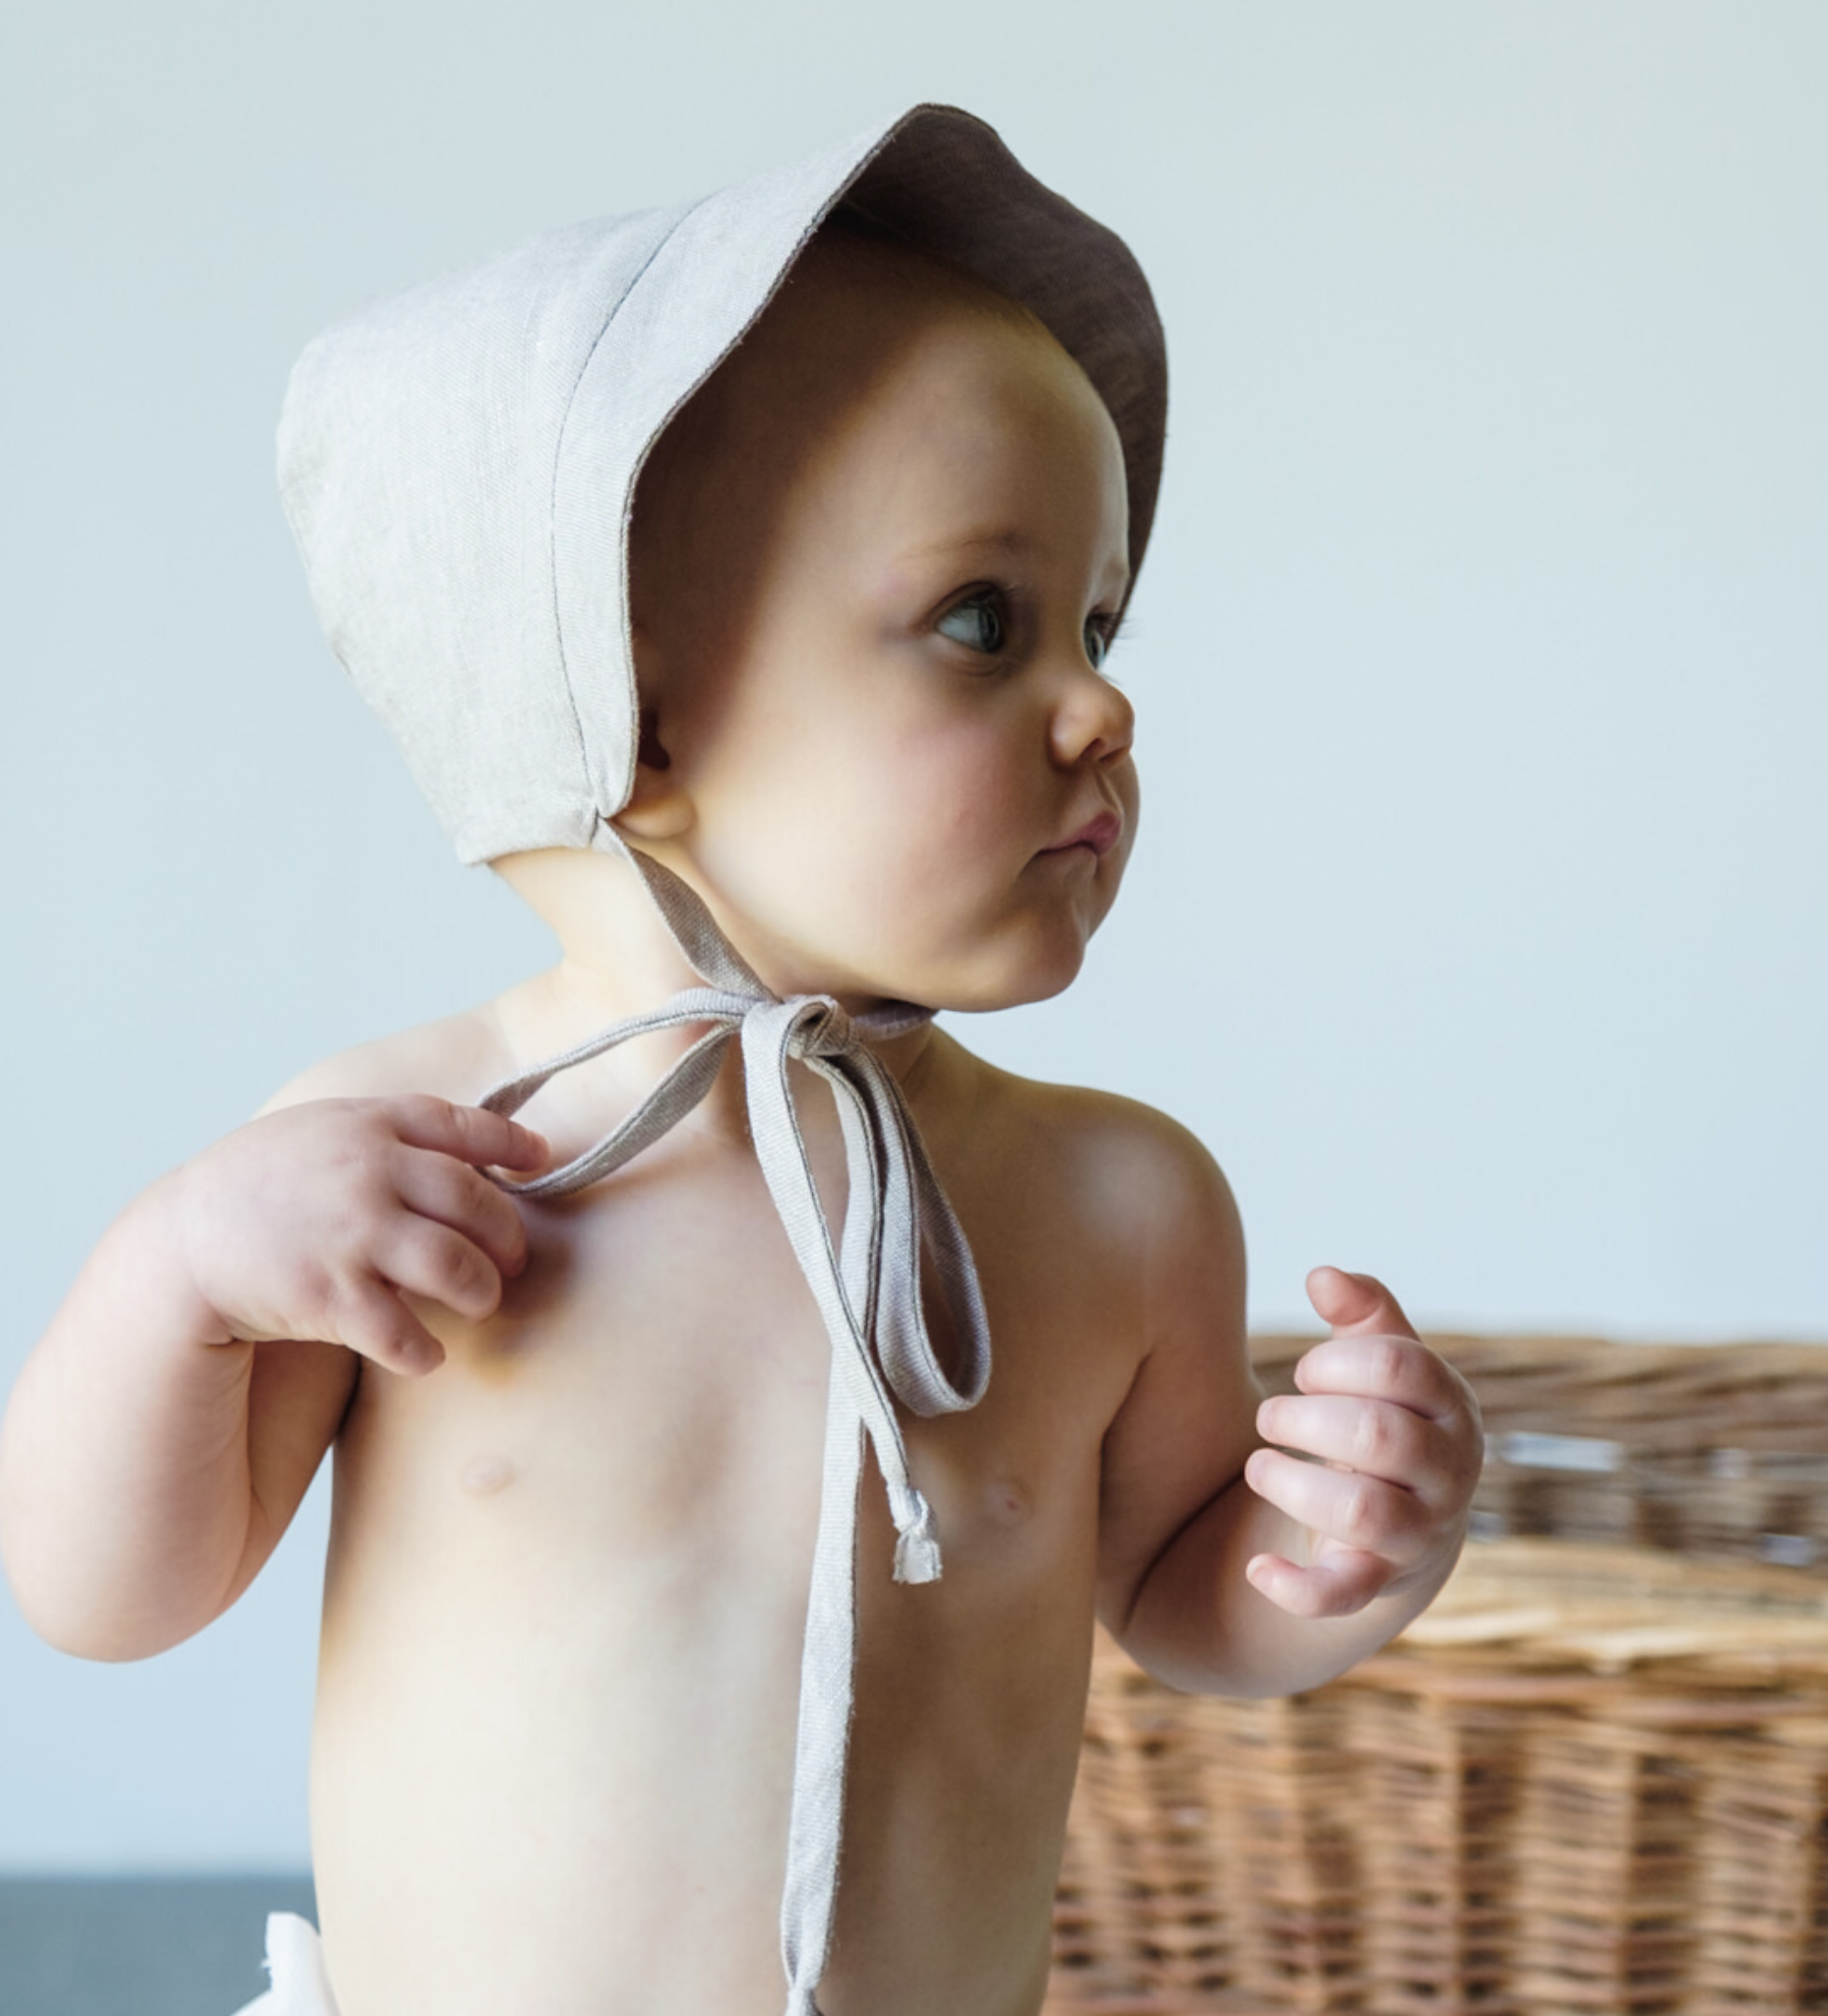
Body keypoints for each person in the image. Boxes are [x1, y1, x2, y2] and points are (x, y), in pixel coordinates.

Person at [0, 106, 1482, 2016]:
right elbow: (103, 1596)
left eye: (1099, 622)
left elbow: (1185, 1608)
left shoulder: (1116, 1199)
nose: (1104, 701)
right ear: (630, 720)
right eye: (983, 622)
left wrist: (1343, 1543)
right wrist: (173, 1284)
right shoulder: (422, 1164)